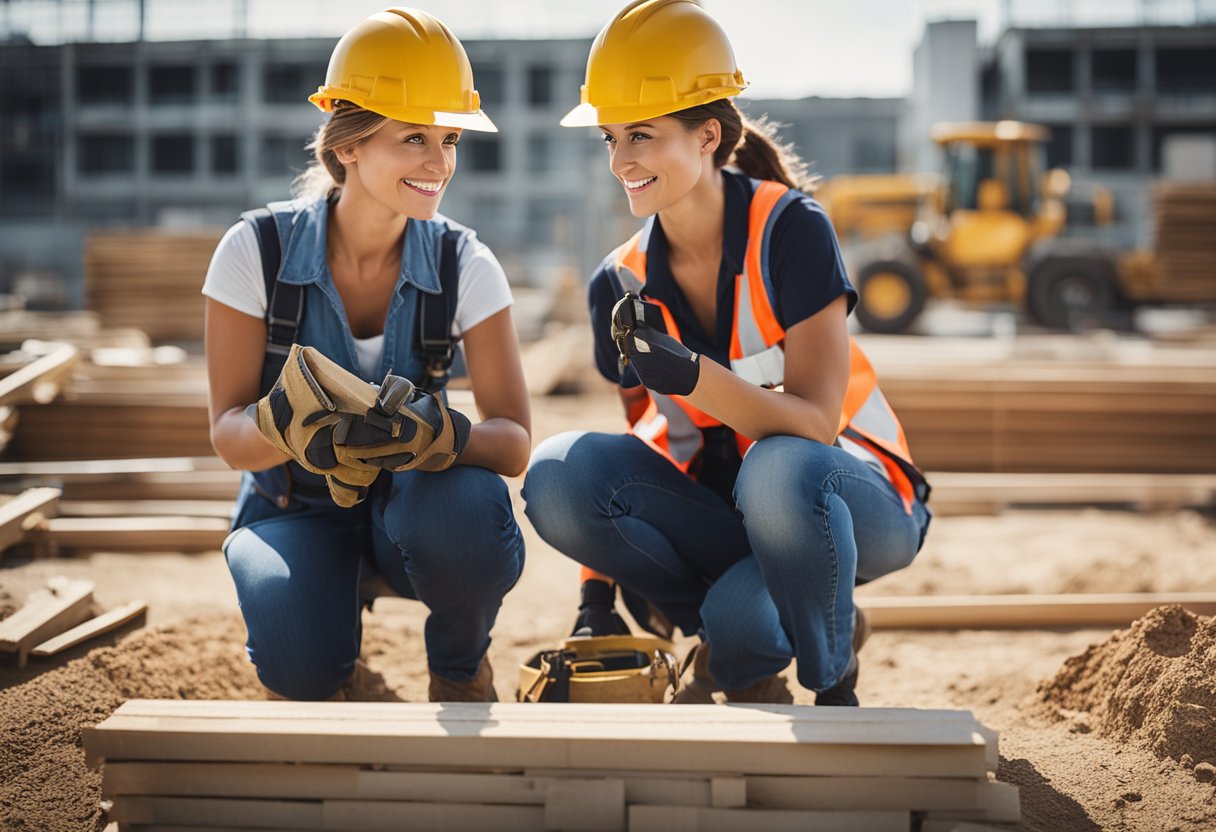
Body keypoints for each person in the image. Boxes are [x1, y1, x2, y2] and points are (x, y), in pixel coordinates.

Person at [523, 0, 931, 706]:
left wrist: (689, 372)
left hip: (852, 497)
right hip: (730, 518)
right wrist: (598, 593)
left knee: (778, 466)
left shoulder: (791, 230)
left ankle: (830, 670)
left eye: (642, 135)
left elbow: (811, 425)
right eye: (610, 138)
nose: (621, 160)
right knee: (559, 473)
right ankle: (753, 616)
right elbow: (644, 438)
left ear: (707, 135)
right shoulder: (617, 281)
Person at [203, 8, 530, 703]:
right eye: (414, 137)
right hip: (295, 506)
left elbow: (514, 443)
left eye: (449, 139)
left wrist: (436, 432)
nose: (439, 164)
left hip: (412, 513)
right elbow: (228, 436)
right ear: (347, 145)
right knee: (299, 667)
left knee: (465, 512)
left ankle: (459, 667)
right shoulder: (253, 253)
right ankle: (327, 619)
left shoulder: (465, 263)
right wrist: (284, 424)